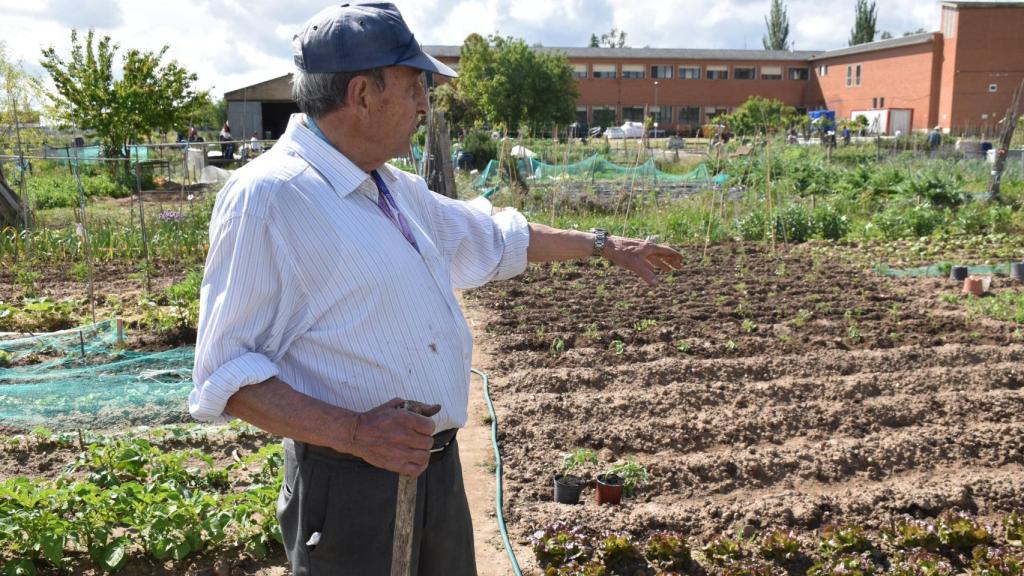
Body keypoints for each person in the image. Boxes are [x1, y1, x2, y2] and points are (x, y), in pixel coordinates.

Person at [188, 4, 683, 575]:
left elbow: (492, 235)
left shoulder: (391, 186)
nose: (424, 104)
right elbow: (225, 373)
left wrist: (604, 245)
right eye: (414, 85)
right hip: (351, 483)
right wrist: (355, 432)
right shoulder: (271, 198)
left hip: (432, 469)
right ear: (362, 93)